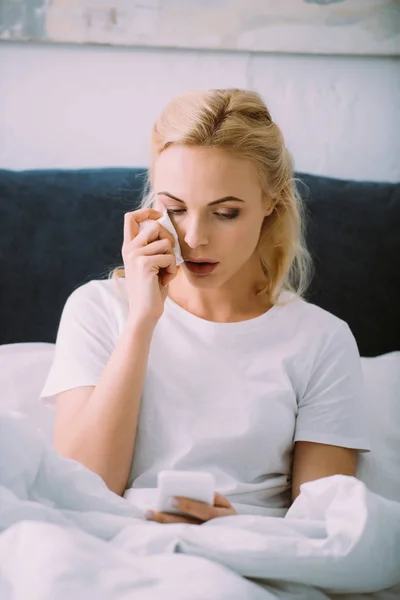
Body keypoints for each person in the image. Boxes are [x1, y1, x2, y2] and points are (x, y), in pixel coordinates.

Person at [40, 88, 370, 525]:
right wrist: (141, 321)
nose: (194, 237)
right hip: (120, 539)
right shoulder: (97, 310)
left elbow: (326, 527)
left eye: (226, 212)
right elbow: (81, 490)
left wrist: (232, 528)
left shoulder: (322, 340)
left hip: (253, 551)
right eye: (174, 209)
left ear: (271, 202)